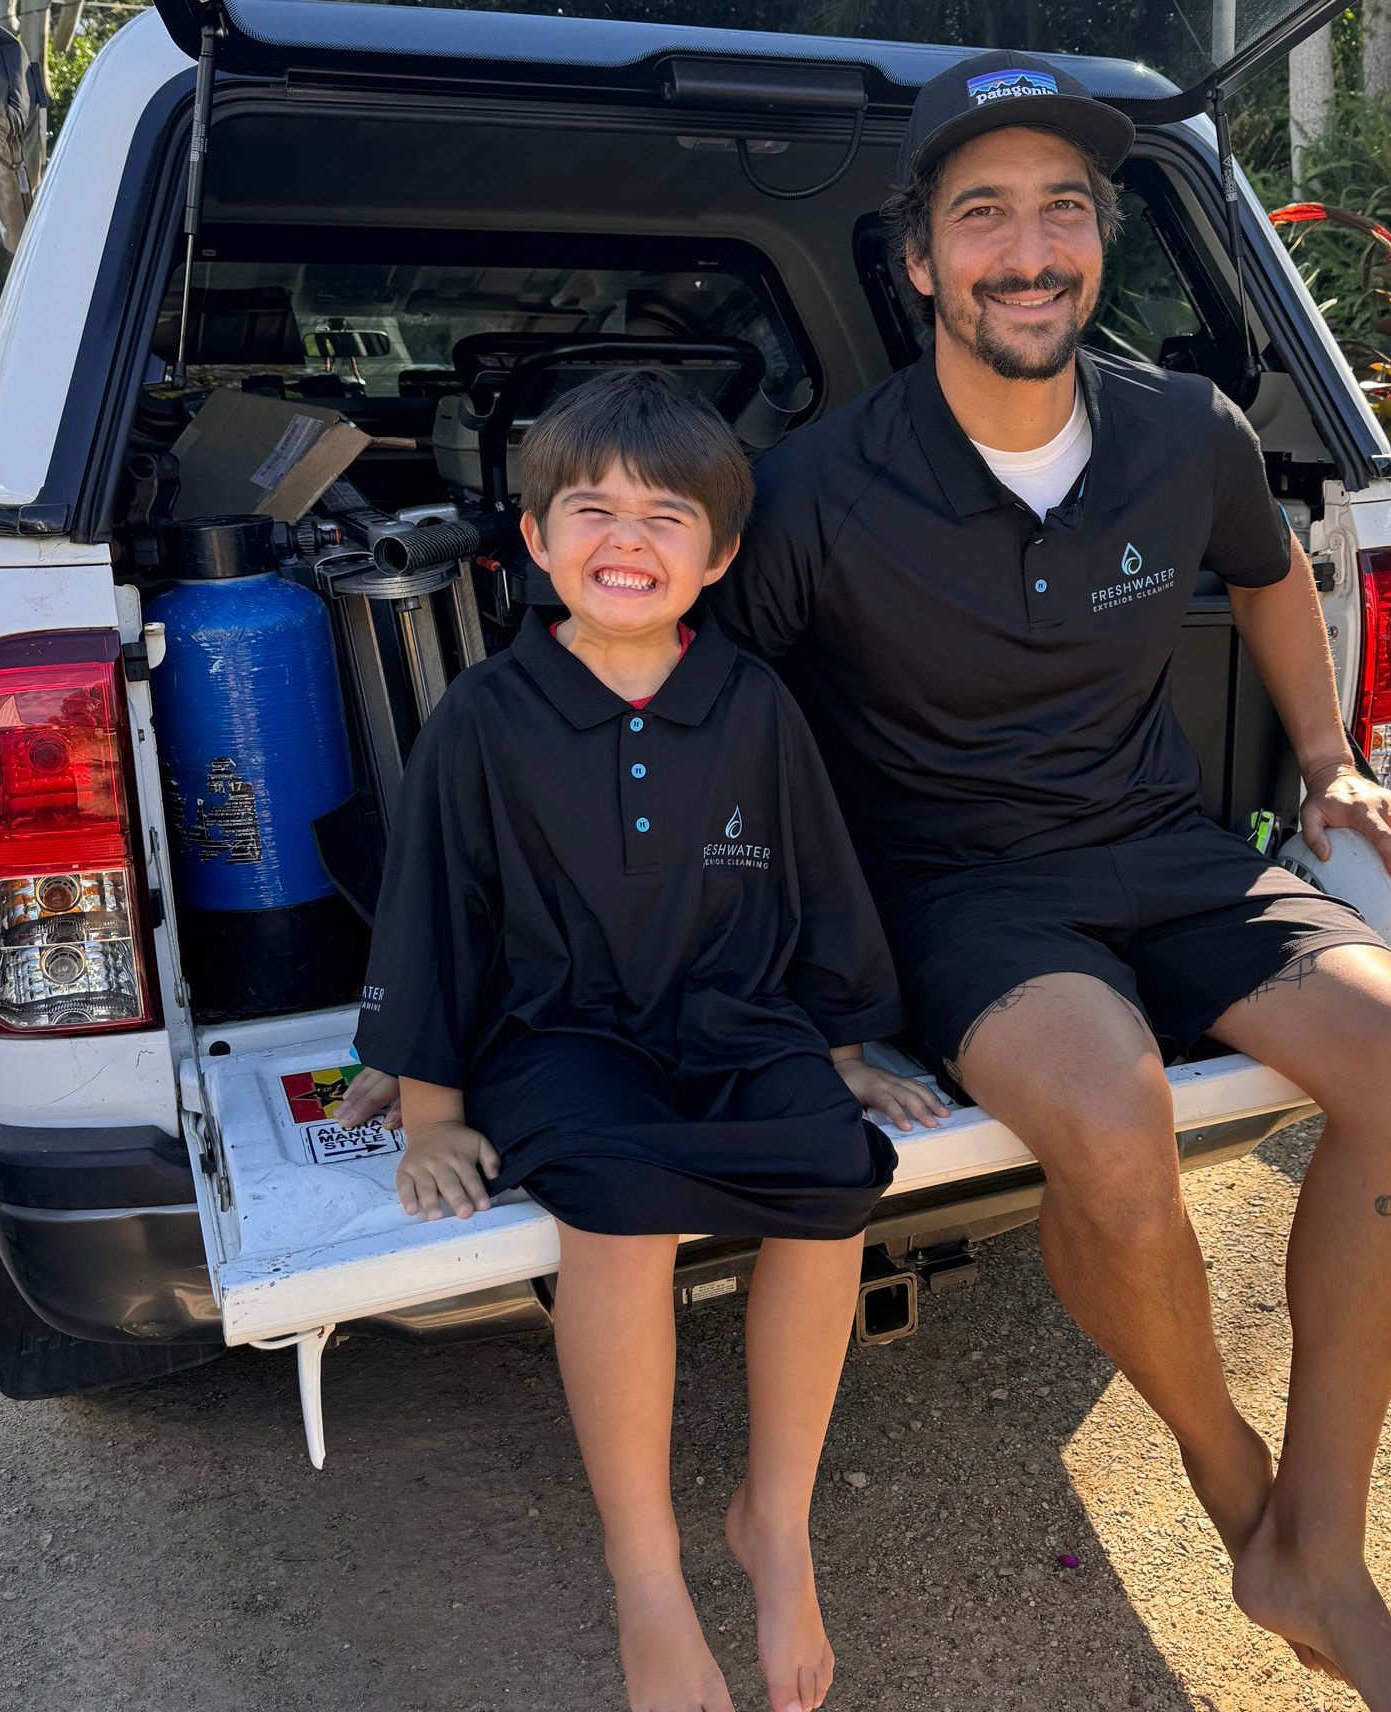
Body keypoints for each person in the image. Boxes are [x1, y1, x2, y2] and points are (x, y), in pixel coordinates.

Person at [705, 52, 1391, 1712]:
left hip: (1170, 851)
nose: (1031, 248)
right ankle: (1226, 1479)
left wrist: (1329, 756)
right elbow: (717, 712)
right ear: (918, 261)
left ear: (1100, 245)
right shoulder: (820, 489)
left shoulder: (1179, 432)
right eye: (984, 214)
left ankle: (1317, 1545)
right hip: (961, 893)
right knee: (1113, 1113)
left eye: (1065, 208)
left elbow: (1273, 576)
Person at [352, 368, 945, 1712]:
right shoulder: (485, 720)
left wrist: (850, 1047)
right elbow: (434, 917)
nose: (629, 537)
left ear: (722, 555)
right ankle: (646, 1569)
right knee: (611, 1211)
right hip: (559, 1033)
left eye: (668, 514)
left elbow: (816, 882)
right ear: (535, 541)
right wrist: (433, 1110)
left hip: (735, 1013)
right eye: (593, 509)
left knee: (835, 1180)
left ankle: (774, 1523)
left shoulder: (754, 705)